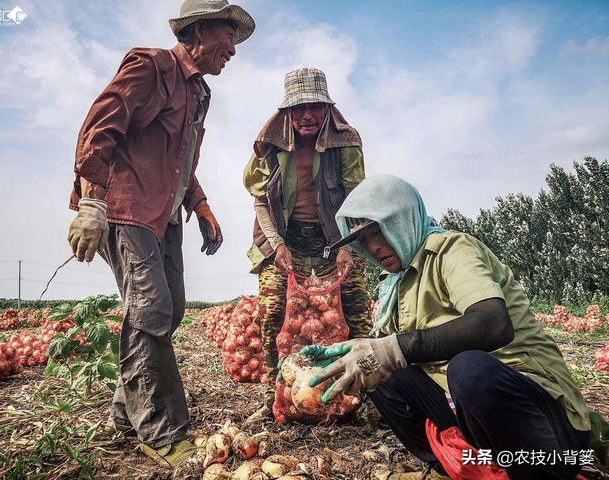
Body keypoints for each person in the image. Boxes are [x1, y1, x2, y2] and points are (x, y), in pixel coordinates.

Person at [67, 0, 254, 467]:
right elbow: (99, 127)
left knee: (170, 309)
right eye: (228, 36)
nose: (233, 49)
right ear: (199, 30)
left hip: (164, 216)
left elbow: (182, 161)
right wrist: (92, 204)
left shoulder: (198, 94)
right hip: (126, 207)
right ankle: (163, 431)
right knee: (151, 309)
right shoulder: (151, 67)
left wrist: (202, 206)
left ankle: (125, 413)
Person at [304, 175, 591, 480]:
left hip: (539, 417)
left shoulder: (452, 250)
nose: (373, 248)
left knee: (469, 368)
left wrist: (394, 348)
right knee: (380, 377)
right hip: (473, 413)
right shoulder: (395, 285)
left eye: (378, 232)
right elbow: (383, 352)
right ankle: (462, 467)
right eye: (363, 240)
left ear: (403, 219)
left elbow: (493, 323)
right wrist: (334, 359)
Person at [242, 67, 373, 413]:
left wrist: (347, 245)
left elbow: (355, 198)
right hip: (284, 238)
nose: (307, 116)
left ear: (327, 108)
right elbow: (259, 201)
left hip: (335, 238)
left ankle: (367, 386)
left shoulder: (345, 142)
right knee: (271, 310)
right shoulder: (268, 147)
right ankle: (279, 391)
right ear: (286, 113)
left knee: (358, 306)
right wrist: (277, 245)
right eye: (298, 109)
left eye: (315, 107)